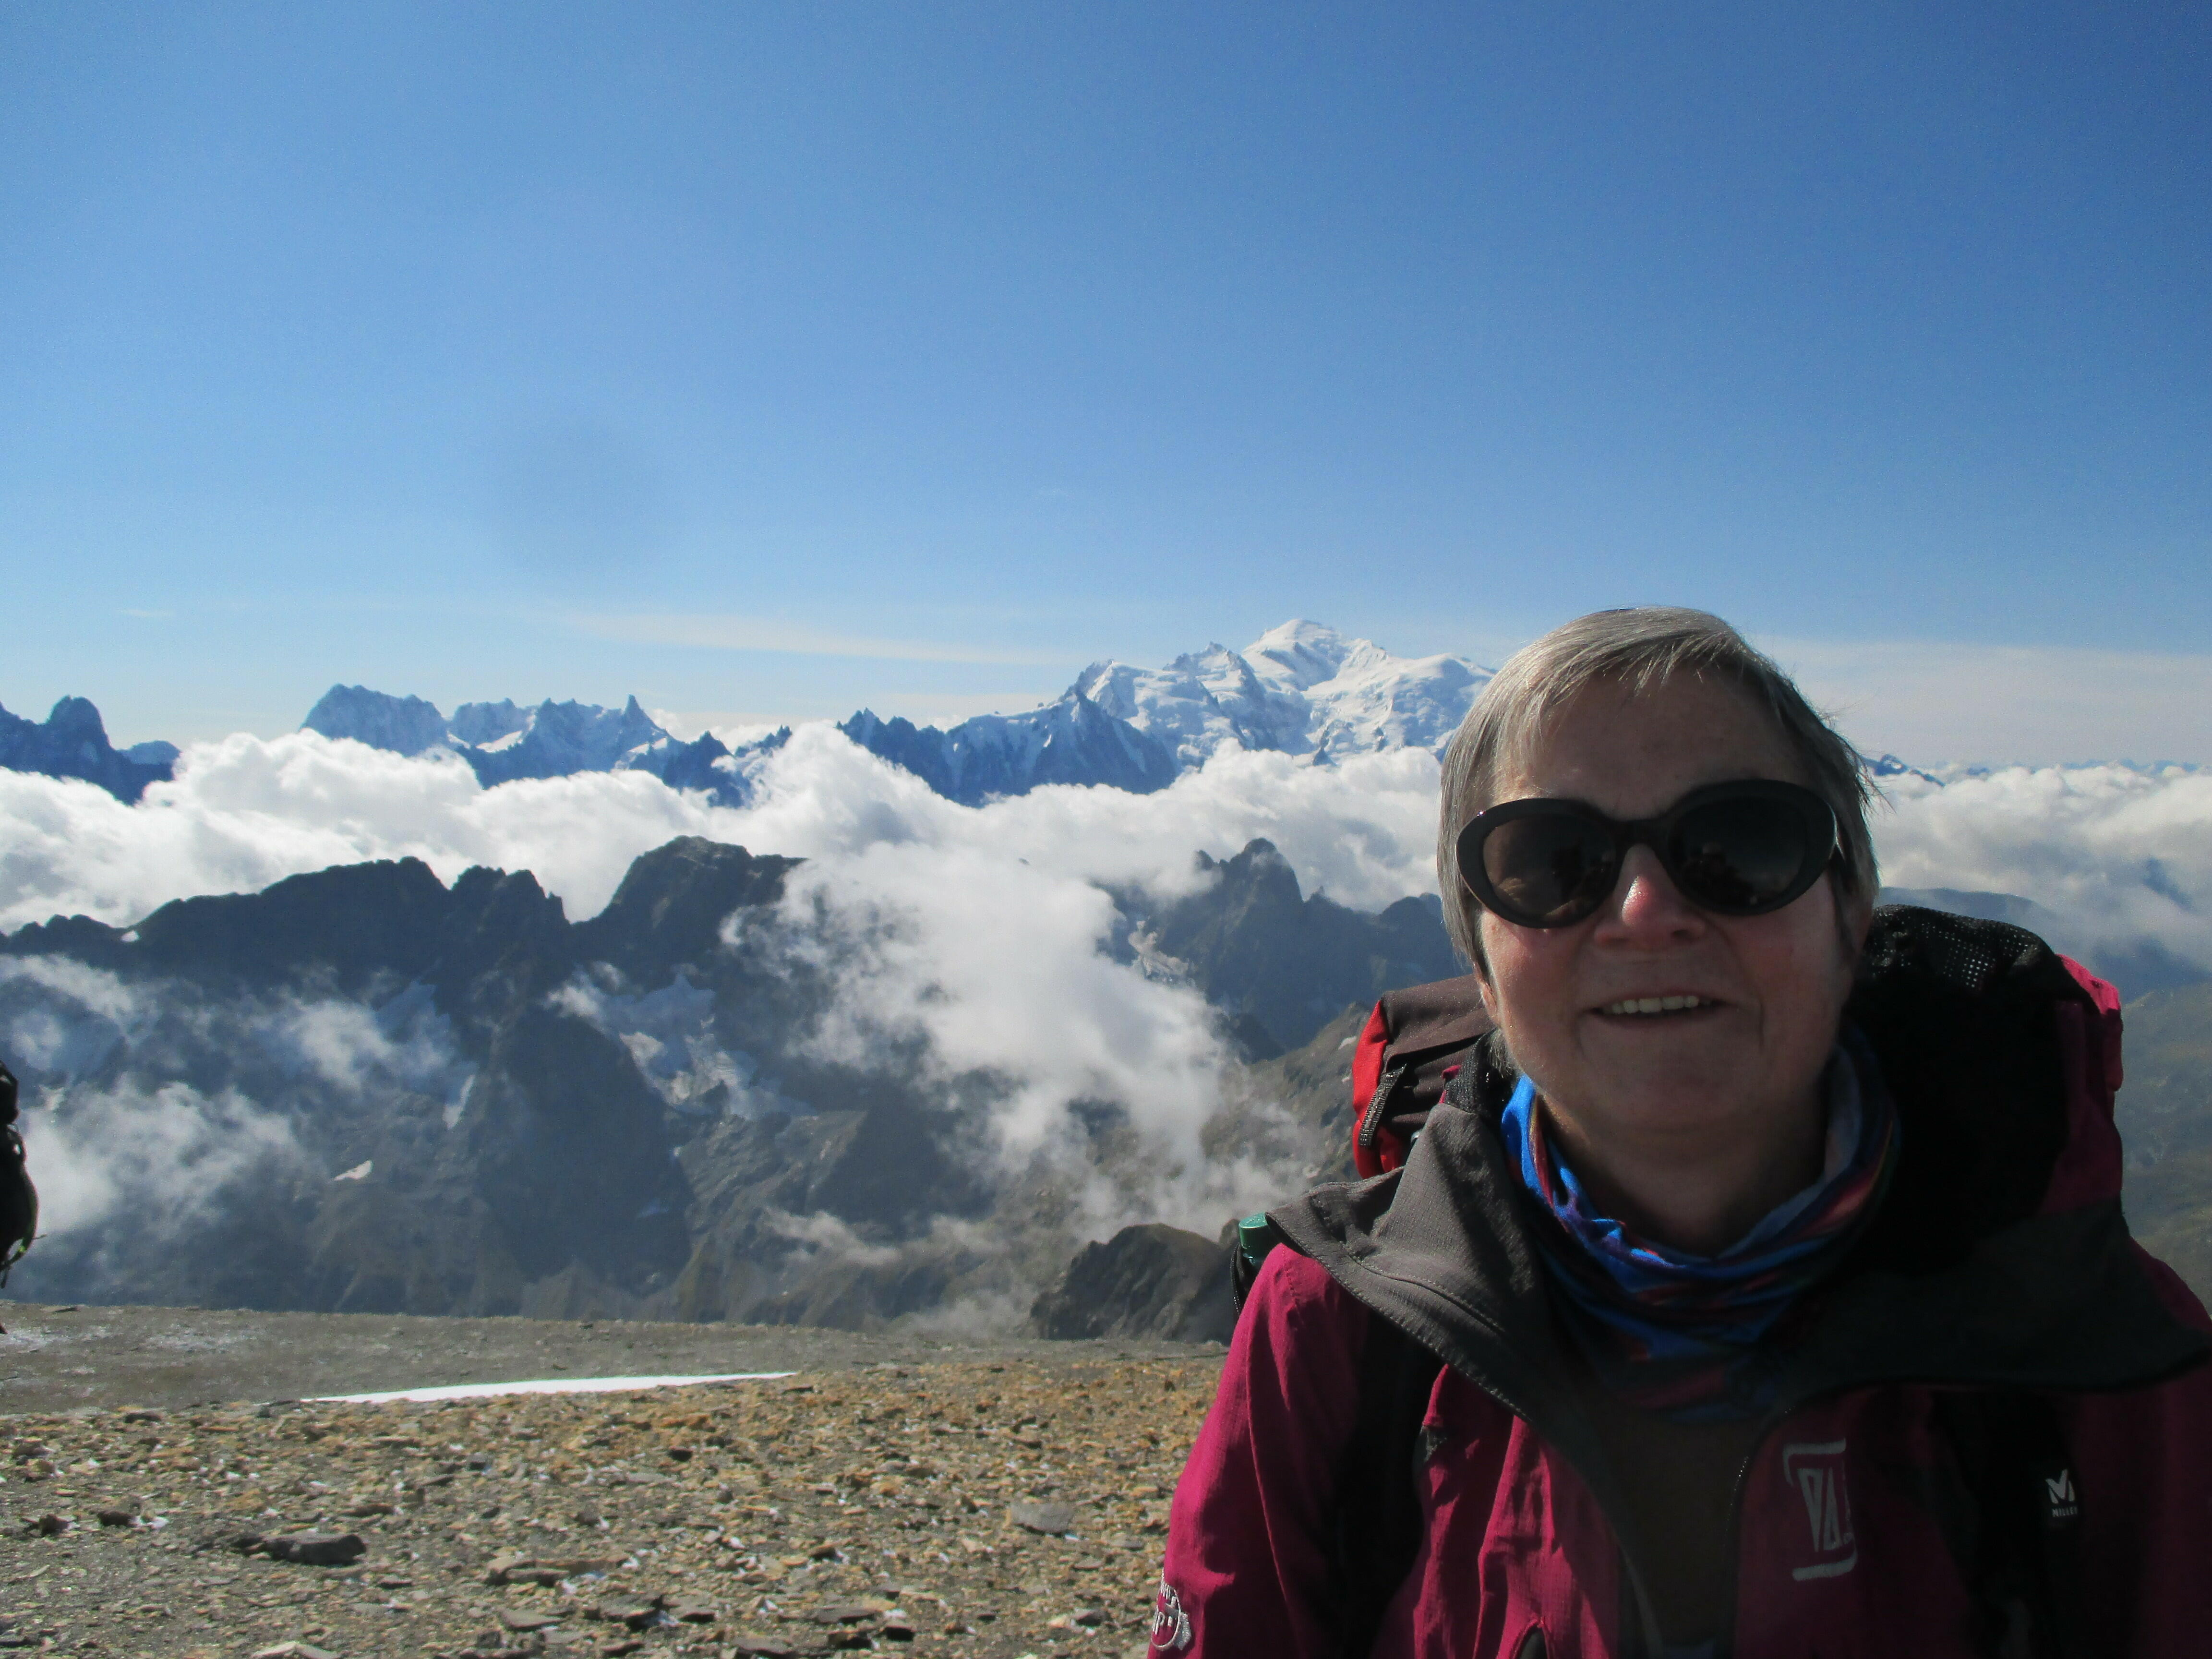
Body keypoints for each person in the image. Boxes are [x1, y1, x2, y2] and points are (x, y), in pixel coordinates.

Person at [1155, 608, 2212, 1658]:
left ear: (1851, 916)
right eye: (1552, 861)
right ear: (1479, 960)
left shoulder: (2097, 1340)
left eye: (1739, 843)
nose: (1645, 910)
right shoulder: (1331, 1334)